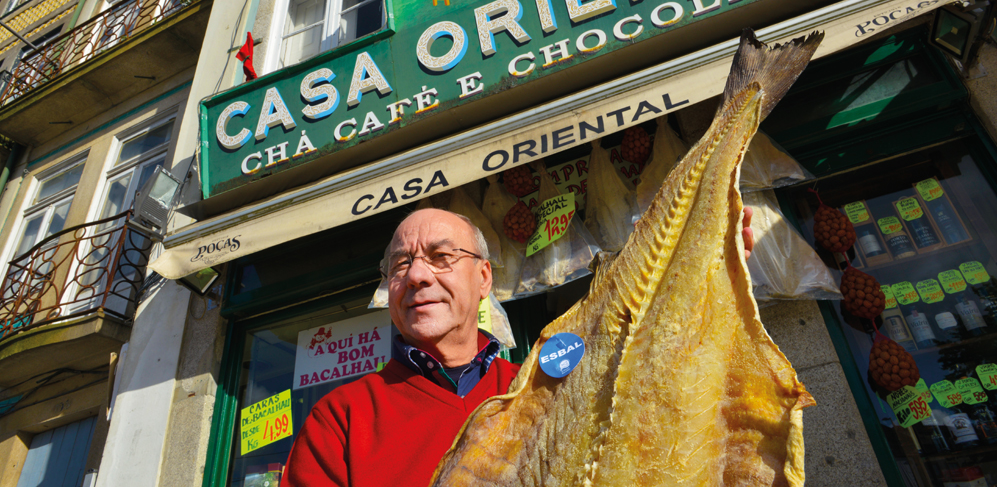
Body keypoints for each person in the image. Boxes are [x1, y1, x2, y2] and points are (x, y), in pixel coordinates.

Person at [282, 207, 755, 487]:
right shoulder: (341, 416)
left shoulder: (540, 389)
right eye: (400, 264)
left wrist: (714, 277)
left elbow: (658, 425)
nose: (418, 275)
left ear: (484, 277)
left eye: (442, 257)